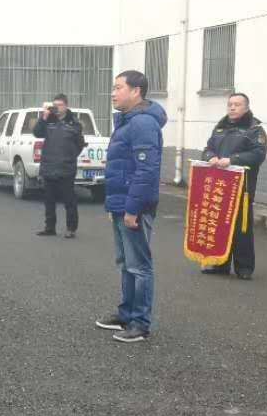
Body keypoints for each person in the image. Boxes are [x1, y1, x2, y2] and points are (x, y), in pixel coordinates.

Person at [95, 70, 167, 342]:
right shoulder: (127, 121)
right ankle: (126, 314)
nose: (113, 93)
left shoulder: (142, 123)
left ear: (136, 91)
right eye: (113, 88)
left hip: (135, 206)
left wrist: (133, 209)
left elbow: (146, 171)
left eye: (118, 88)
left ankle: (140, 323)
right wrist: (116, 206)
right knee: (125, 262)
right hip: (121, 203)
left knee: (139, 266)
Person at [200, 92, 267, 280]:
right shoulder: (220, 127)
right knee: (219, 226)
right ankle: (219, 263)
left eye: (237, 104)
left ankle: (244, 267)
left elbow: (258, 154)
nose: (232, 107)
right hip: (219, 186)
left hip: (241, 187)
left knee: (241, 229)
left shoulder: (254, 130)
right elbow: (208, 148)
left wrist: (233, 160)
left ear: (246, 108)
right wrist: (210, 157)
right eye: (230, 104)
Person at [31, 94, 86, 237]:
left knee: (69, 200)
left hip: (66, 168)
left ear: (66, 106)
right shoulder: (48, 120)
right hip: (49, 166)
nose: (57, 108)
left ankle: (71, 229)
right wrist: (44, 117)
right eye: (54, 105)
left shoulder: (74, 123)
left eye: (60, 105)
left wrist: (69, 156)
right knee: (49, 201)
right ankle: (50, 228)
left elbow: (80, 144)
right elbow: (36, 133)